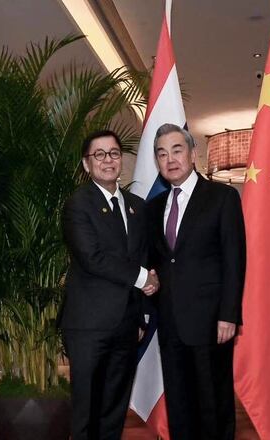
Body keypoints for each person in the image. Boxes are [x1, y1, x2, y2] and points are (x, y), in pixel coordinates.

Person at [147, 123, 246, 440]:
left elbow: (234, 260)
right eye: (162, 154)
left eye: (177, 150)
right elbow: (155, 264)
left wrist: (229, 314)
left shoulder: (222, 197)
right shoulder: (153, 208)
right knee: (179, 406)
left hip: (211, 322)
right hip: (170, 323)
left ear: (192, 154)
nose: (170, 159)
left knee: (212, 404)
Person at [60, 129, 159, 440]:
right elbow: (93, 258)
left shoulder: (137, 206)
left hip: (127, 325)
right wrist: (143, 278)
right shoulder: (78, 204)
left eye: (114, 153)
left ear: (121, 159)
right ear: (86, 164)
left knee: (115, 408)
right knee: (87, 410)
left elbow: (142, 256)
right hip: (88, 326)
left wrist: (141, 315)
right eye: (99, 154)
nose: (108, 160)